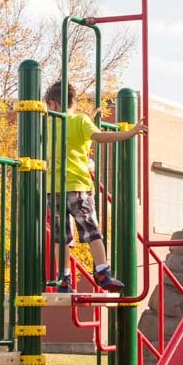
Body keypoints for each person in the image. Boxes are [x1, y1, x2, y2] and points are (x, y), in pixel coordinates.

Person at [44, 80, 146, 292]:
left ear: (53, 104)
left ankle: (64, 279)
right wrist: (130, 132)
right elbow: (99, 137)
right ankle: (102, 271)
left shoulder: (46, 124)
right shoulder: (80, 121)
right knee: (92, 231)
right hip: (77, 186)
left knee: (60, 237)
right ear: (71, 102)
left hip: (52, 189)